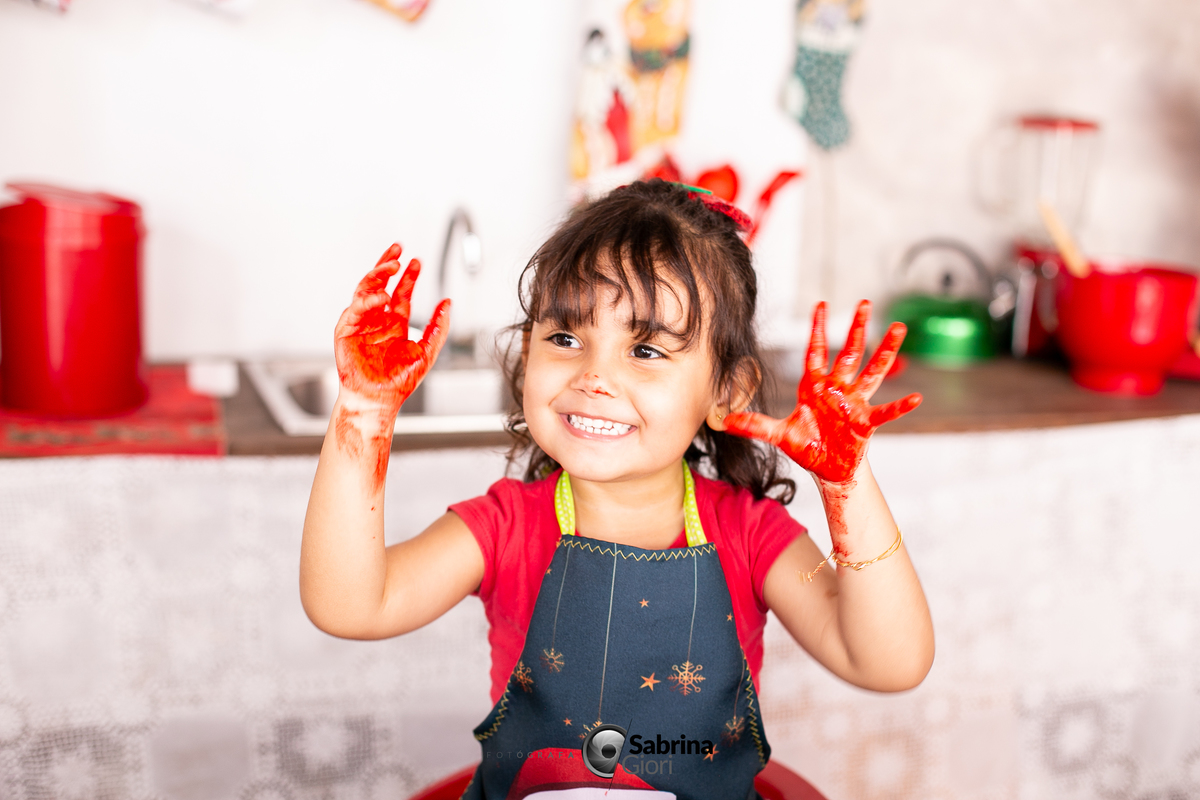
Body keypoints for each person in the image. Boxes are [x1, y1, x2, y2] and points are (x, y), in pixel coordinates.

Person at [301, 180, 934, 799]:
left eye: (647, 350)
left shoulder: (752, 536)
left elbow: (890, 663)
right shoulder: (502, 528)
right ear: (526, 354)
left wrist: (846, 484)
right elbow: (351, 606)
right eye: (565, 338)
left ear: (727, 391)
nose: (594, 376)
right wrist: (363, 411)